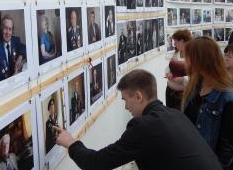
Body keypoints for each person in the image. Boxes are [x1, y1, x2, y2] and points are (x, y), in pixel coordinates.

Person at [54, 69, 223, 170]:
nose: (126, 107)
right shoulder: (173, 114)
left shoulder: (144, 127)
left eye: (125, 101)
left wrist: (70, 142)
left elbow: (96, 164)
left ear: (138, 97)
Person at [182, 36, 233, 170]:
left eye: (188, 57)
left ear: (199, 60)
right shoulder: (195, 85)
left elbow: (228, 146)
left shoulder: (227, 98)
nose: (185, 62)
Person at [0, 15, 27, 84]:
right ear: (1, 29)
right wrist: (14, 76)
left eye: (10, 29)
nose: (8, 32)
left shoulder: (16, 40)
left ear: (12, 31)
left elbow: (24, 48)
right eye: (5, 28)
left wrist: (20, 56)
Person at [165, 30, 191, 110]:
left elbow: (197, 75)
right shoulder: (176, 53)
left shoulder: (193, 56)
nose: (174, 44)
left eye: (175, 42)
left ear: (182, 41)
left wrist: (183, 79)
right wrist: (168, 73)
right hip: (170, 91)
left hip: (183, 94)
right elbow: (168, 68)